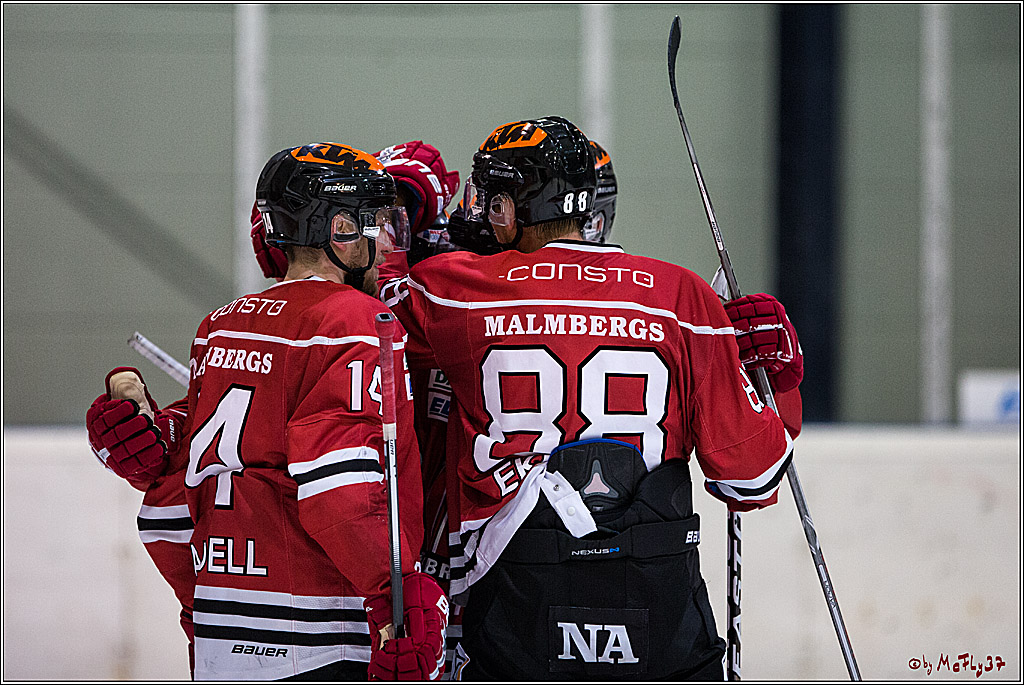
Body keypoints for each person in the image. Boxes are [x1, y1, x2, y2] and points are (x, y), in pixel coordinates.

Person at [386, 116, 803, 680]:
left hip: (518, 597)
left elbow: (358, 321)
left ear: (514, 207)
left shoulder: (456, 289)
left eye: (492, 199)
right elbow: (751, 480)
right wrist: (774, 384)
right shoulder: (683, 296)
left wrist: (407, 233)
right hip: (657, 600)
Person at [86, 140, 460, 679]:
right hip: (315, 628)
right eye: (373, 224)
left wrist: (197, 601)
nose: (384, 246)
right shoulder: (356, 321)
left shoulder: (223, 323)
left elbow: (175, 490)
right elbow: (341, 484)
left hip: (222, 621)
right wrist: (391, 595)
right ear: (338, 231)